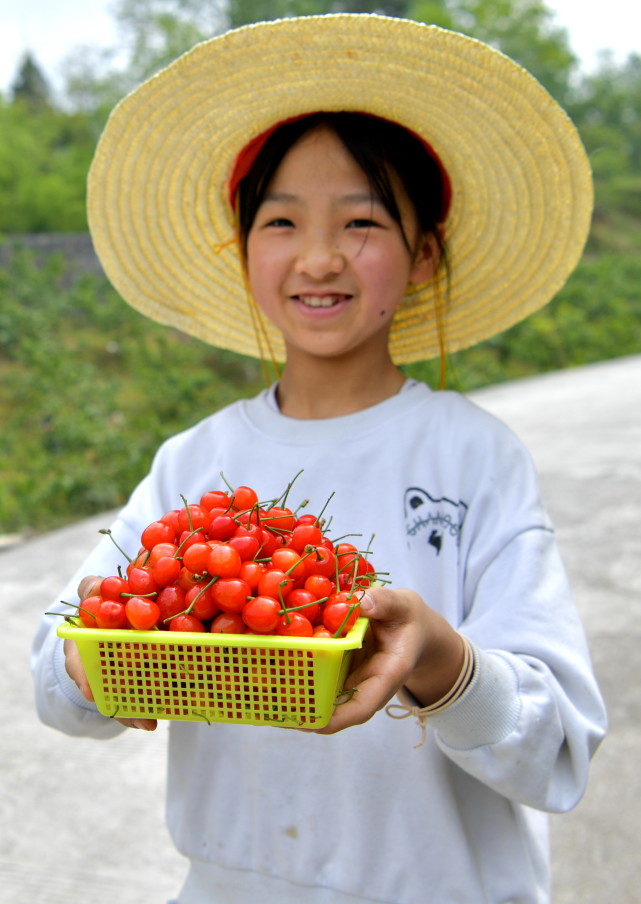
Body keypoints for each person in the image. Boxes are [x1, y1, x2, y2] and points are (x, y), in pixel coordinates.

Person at [31, 14, 607, 904]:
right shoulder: (196, 461)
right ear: (245, 249)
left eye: (362, 221)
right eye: (282, 221)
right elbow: (56, 667)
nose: (319, 255)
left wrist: (443, 663)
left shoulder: (473, 459)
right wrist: (98, 664)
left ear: (421, 255)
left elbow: (558, 749)